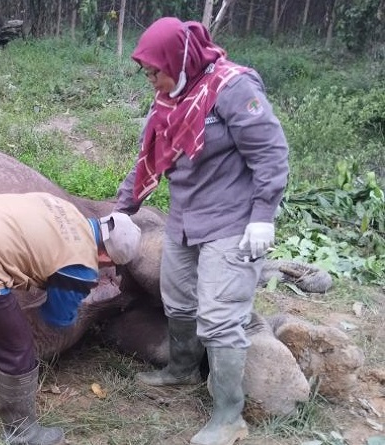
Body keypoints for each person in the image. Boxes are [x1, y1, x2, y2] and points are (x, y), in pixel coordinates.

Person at [114, 17, 289, 445]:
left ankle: (230, 416)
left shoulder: (233, 88)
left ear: (180, 58)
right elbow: (147, 163)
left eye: (156, 70)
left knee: (219, 317)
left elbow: (270, 153)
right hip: (186, 221)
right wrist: (120, 210)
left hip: (232, 223)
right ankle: (181, 368)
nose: (151, 79)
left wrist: (264, 214)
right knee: (178, 299)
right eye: (147, 72)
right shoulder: (168, 101)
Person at [0, 192, 141, 445]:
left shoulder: (66, 209)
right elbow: (57, 318)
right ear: (107, 257)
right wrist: (72, 301)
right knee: (18, 350)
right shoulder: (81, 264)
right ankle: (23, 434)